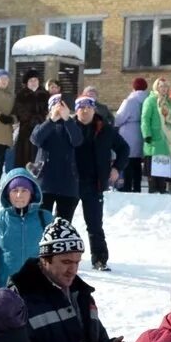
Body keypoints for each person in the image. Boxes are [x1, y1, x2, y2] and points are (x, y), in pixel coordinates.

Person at [70, 95, 126, 270]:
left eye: (88, 107)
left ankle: (100, 259)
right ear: (75, 110)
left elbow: (124, 148)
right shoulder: (68, 127)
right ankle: (60, 259)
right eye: (81, 107)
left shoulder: (105, 129)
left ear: (94, 109)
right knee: (62, 223)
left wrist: (117, 168)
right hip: (70, 184)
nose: (84, 110)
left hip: (94, 184)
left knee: (95, 224)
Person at [0, 166, 52, 293]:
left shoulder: (45, 218)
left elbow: (57, 254)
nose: (19, 195)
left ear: (32, 193)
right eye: (15, 190)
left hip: (40, 290)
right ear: (7, 193)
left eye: (24, 190)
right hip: (5, 291)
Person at [140, 81, 171, 196]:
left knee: (163, 164)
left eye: (166, 86)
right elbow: (145, 119)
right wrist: (146, 134)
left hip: (166, 138)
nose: (164, 88)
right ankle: (152, 188)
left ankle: (162, 187)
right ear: (156, 87)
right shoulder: (150, 101)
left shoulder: (169, 102)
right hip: (153, 138)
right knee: (152, 165)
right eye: (161, 86)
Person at [11, 71, 49, 159]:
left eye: (35, 80)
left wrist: (42, 118)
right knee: (26, 155)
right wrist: (32, 119)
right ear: (27, 83)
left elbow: (48, 109)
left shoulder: (45, 94)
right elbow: (19, 111)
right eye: (31, 80)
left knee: (40, 154)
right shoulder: (21, 95)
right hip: (26, 130)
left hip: (42, 127)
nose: (33, 82)